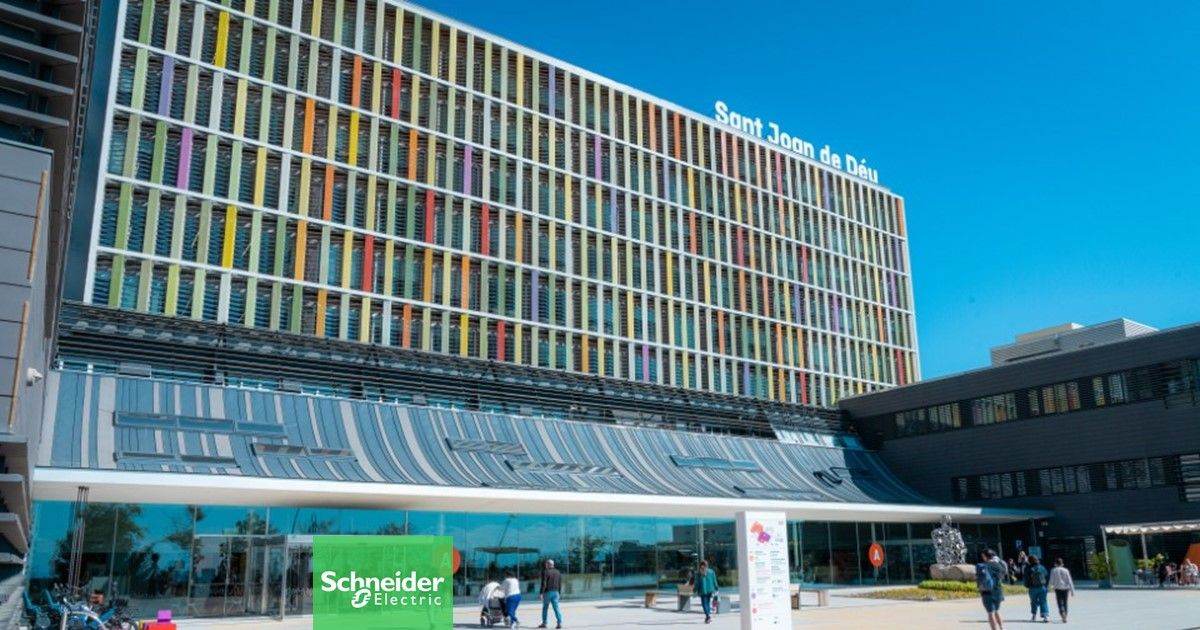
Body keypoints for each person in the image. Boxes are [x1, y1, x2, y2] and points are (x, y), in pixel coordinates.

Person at [976, 548, 1006, 630]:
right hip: (998, 591)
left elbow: (979, 579)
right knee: (996, 611)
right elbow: (1003, 575)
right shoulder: (999, 565)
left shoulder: (983, 566)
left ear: (985, 556)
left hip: (987, 592)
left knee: (990, 613)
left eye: (983, 556)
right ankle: (1001, 627)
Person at [1022, 555, 1049, 623]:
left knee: (1033, 602)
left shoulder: (1028, 568)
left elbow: (1026, 578)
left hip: (1032, 588)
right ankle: (1045, 616)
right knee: (1043, 601)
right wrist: (1046, 586)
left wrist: (1027, 586)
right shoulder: (1041, 567)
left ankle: (1034, 616)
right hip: (1042, 587)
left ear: (1029, 561)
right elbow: (1046, 576)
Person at [538, 559, 563, 629]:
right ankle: (559, 623)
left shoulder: (545, 572)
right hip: (556, 592)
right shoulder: (558, 572)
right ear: (553, 565)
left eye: (546, 564)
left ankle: (544, 623)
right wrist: (559, 592)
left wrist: (541, 593)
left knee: (545, 608)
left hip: (548, 592)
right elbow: (560, 583)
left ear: (548, 564)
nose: (546, 565)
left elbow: (544, 583)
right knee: (556, 608)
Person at [1048, 558, 1075, 623]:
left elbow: (1051, 580)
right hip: (1066, 588)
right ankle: (1065, 614)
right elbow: (1069, 580)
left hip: (1058, 588)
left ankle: (1062, 613)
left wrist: (1049, 587)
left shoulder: (1053, 570)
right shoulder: (1066, 570)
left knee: (1059, 602)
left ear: (1055, 564)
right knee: (1065, 602)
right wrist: (1072, 590)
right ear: (1062, 563)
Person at [694, 560, 718, 624]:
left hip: (703, 591)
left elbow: (697, 583)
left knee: (704, 604)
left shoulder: (698, 573)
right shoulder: (711, 571)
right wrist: (716, 587)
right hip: (710, 590)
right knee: (707, 603)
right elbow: (714, 580)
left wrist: (695, 590)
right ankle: (708, 616)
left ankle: (708, 616)